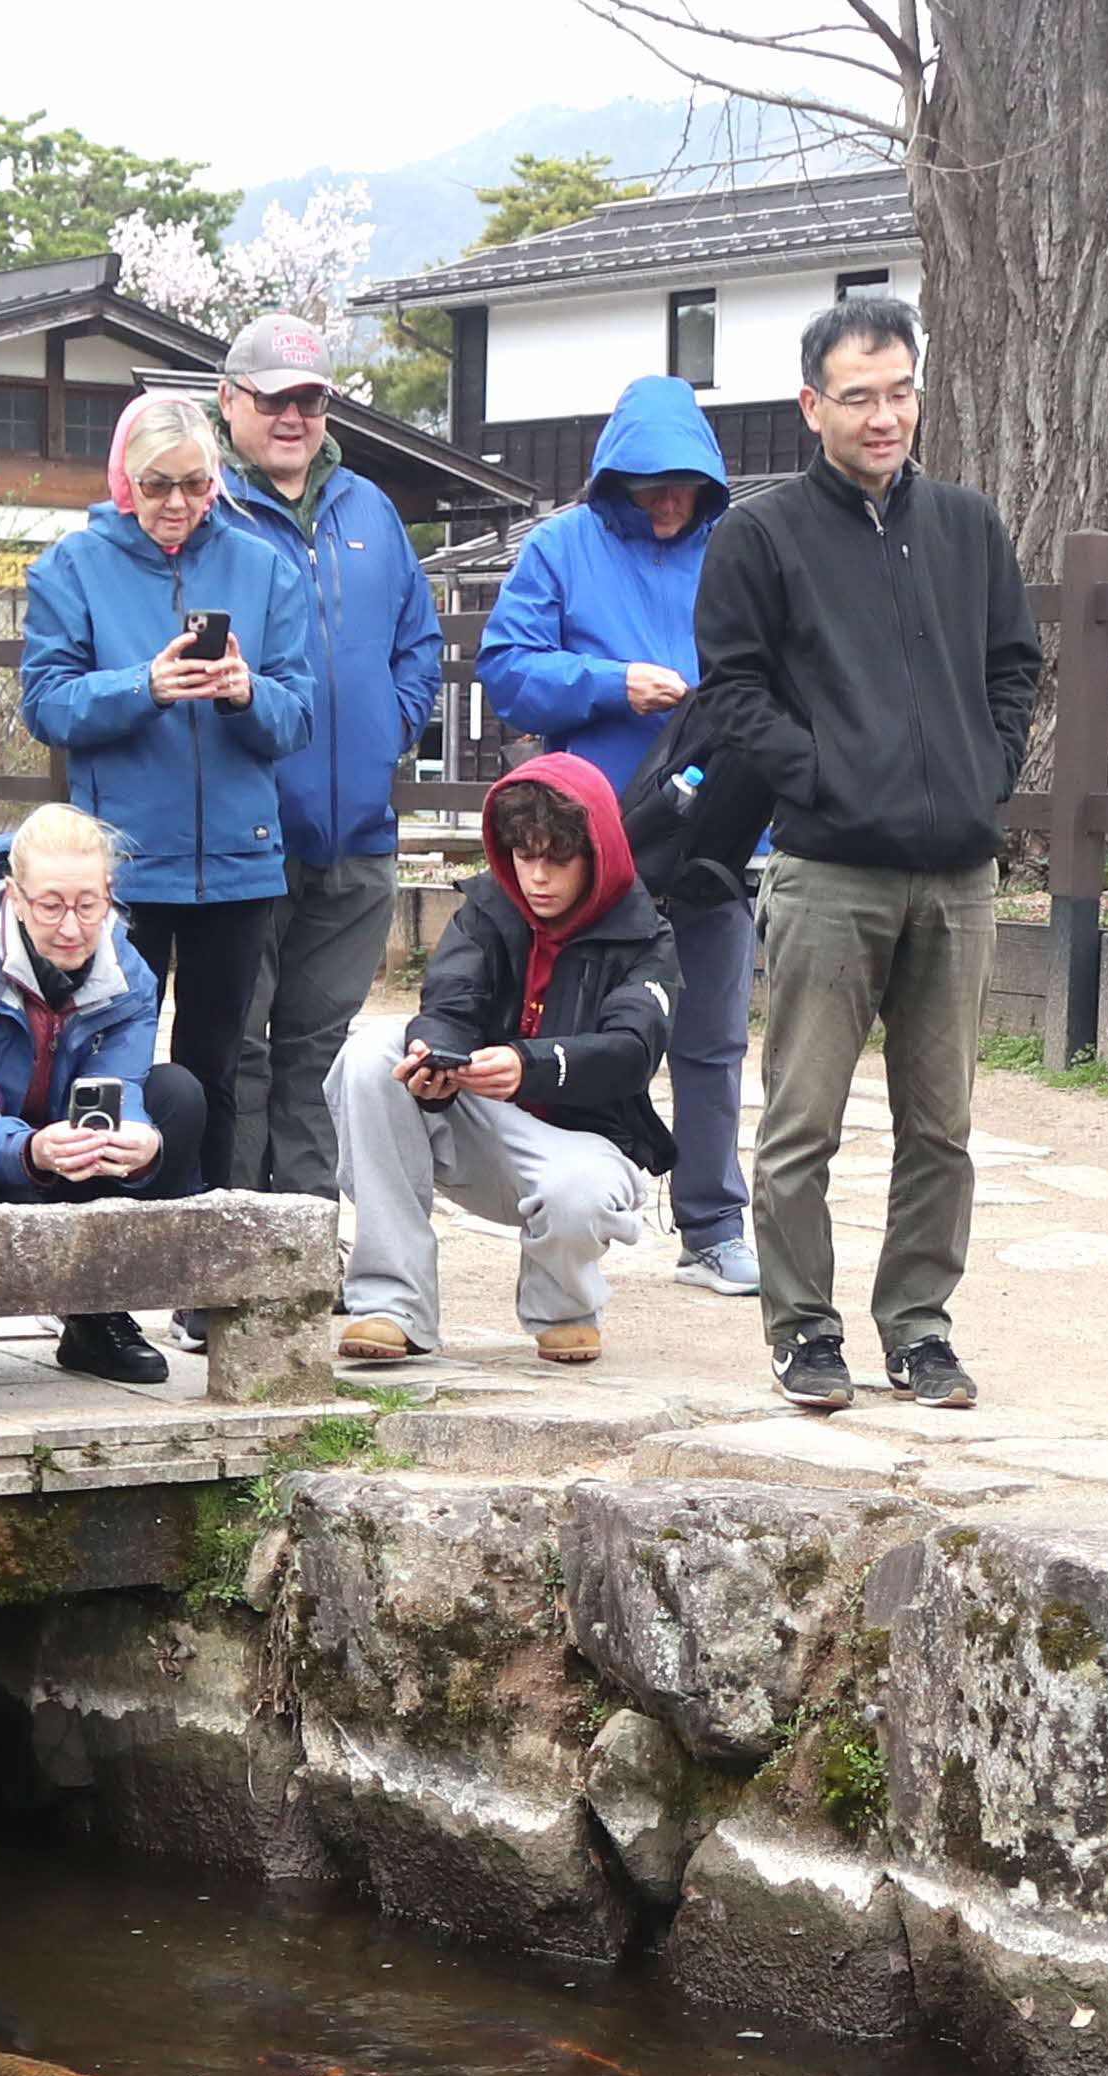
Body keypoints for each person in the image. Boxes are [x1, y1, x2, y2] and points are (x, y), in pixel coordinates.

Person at [687, 291, 1044, 1416]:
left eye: (899, 393)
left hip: (957, 869)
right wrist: (824, 778)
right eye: (858, 397)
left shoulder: (967, 524)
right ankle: (803, 1329)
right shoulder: (762, 534)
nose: (883, 417)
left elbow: (1013, 664)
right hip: (829, 867)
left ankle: (920, 1328)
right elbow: (732, 689)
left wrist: (986, 769)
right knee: (802, 1119)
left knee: (941, 1124)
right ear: (811, 406)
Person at [480, 374, 754, 1299]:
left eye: (682, 482)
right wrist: (610, 683)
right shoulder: (559, 547)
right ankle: (577, 1221)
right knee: (583, 1035)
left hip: (716, 833)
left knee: (713, 1038)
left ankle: (714, 1226)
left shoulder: (740, 550)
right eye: (646, 482)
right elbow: (508, 673)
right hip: (592, 845)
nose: (666, 498)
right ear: (612, 480)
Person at [20, 392, 314, 1199]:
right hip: (120, 866)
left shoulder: (264, 566)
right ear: (124, 482)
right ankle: (107, 1269)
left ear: (216, 479)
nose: (177, 504)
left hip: (239, 860)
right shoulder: (72, 565)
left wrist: (244, 692)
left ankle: (201, 1263)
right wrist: (142, 685)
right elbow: (45, 704)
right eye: (156, 486)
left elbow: (298, 718)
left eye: (194, 484)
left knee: (216, 1066)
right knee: (107, 1064)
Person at [330, 756, 673, 1369]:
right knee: (371, 1052)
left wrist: (530, 1065)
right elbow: (448, 999)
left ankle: (564, 1308)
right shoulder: (488, 907)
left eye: (557, 858)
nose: (536, 876)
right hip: (479, 1124)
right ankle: (391, 1305)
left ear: (596, 854)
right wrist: (432, 1061)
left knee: (581, 1194)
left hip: (584, 1145)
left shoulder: (646, 935)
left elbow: (631, 1051)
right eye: (523, 854)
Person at [212, 315, 441, 1203]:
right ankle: (229, 1257)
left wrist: (392, 726)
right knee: (243, 1048)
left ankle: (304, 1246)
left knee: (321, 1050)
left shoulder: (370, 510)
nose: (293, 418)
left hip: (359, 833)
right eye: (274, 399)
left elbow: (416, 640)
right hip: (249, 830)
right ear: (231, 401)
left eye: (309, 400)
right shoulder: (211, 512)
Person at [0, 802, 195, 1383]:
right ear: (15, 897)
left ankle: (96, 1312)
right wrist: (29, 1150)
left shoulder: (129, 970)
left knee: (178, 1100)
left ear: (109, 893)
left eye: (89, 905)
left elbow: (123, 1082)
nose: (71, 927)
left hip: (65, 1142)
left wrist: (137, 1140)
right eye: (51, 906)